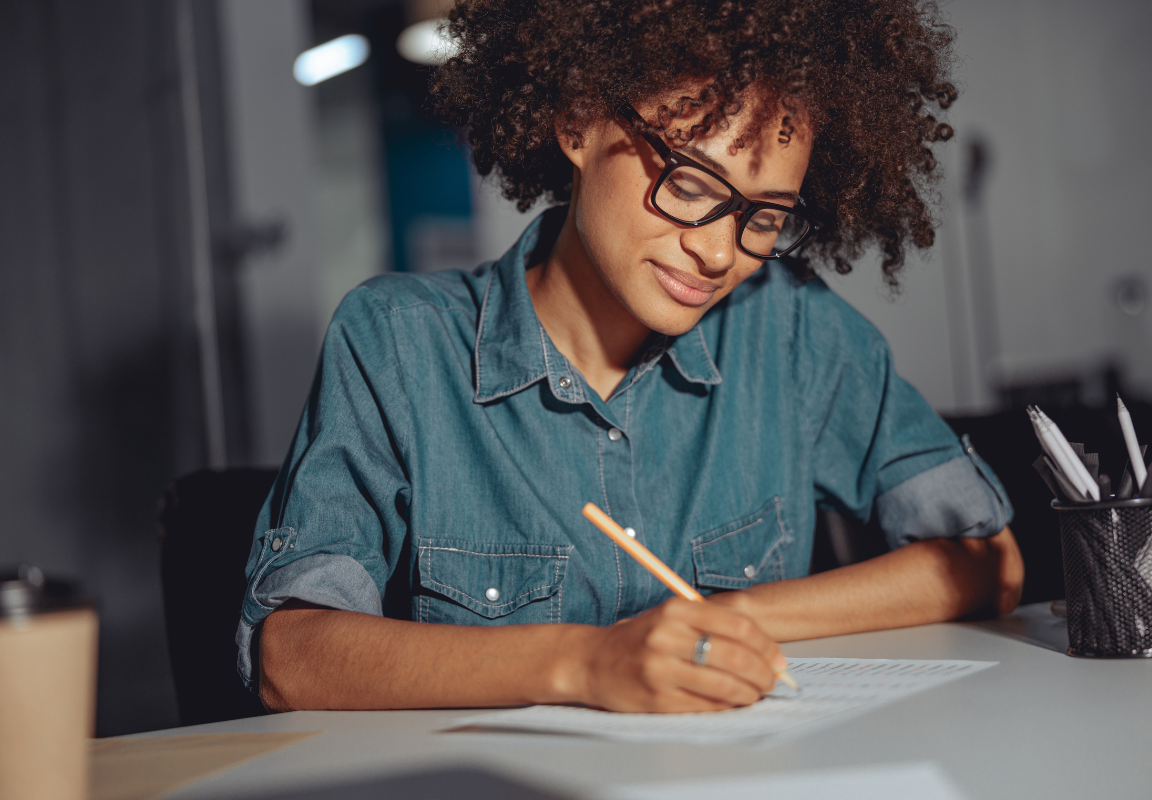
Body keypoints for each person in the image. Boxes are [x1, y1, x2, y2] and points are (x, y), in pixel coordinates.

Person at [239, 0, 1024, 714]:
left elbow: (988, 561)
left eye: (764, 218)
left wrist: (727, 621)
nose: (719, 252)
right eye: (691, 185)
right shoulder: (398, 342)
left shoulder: (790, 328)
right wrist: (586, 663)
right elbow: (290, 656)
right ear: (578, 123)